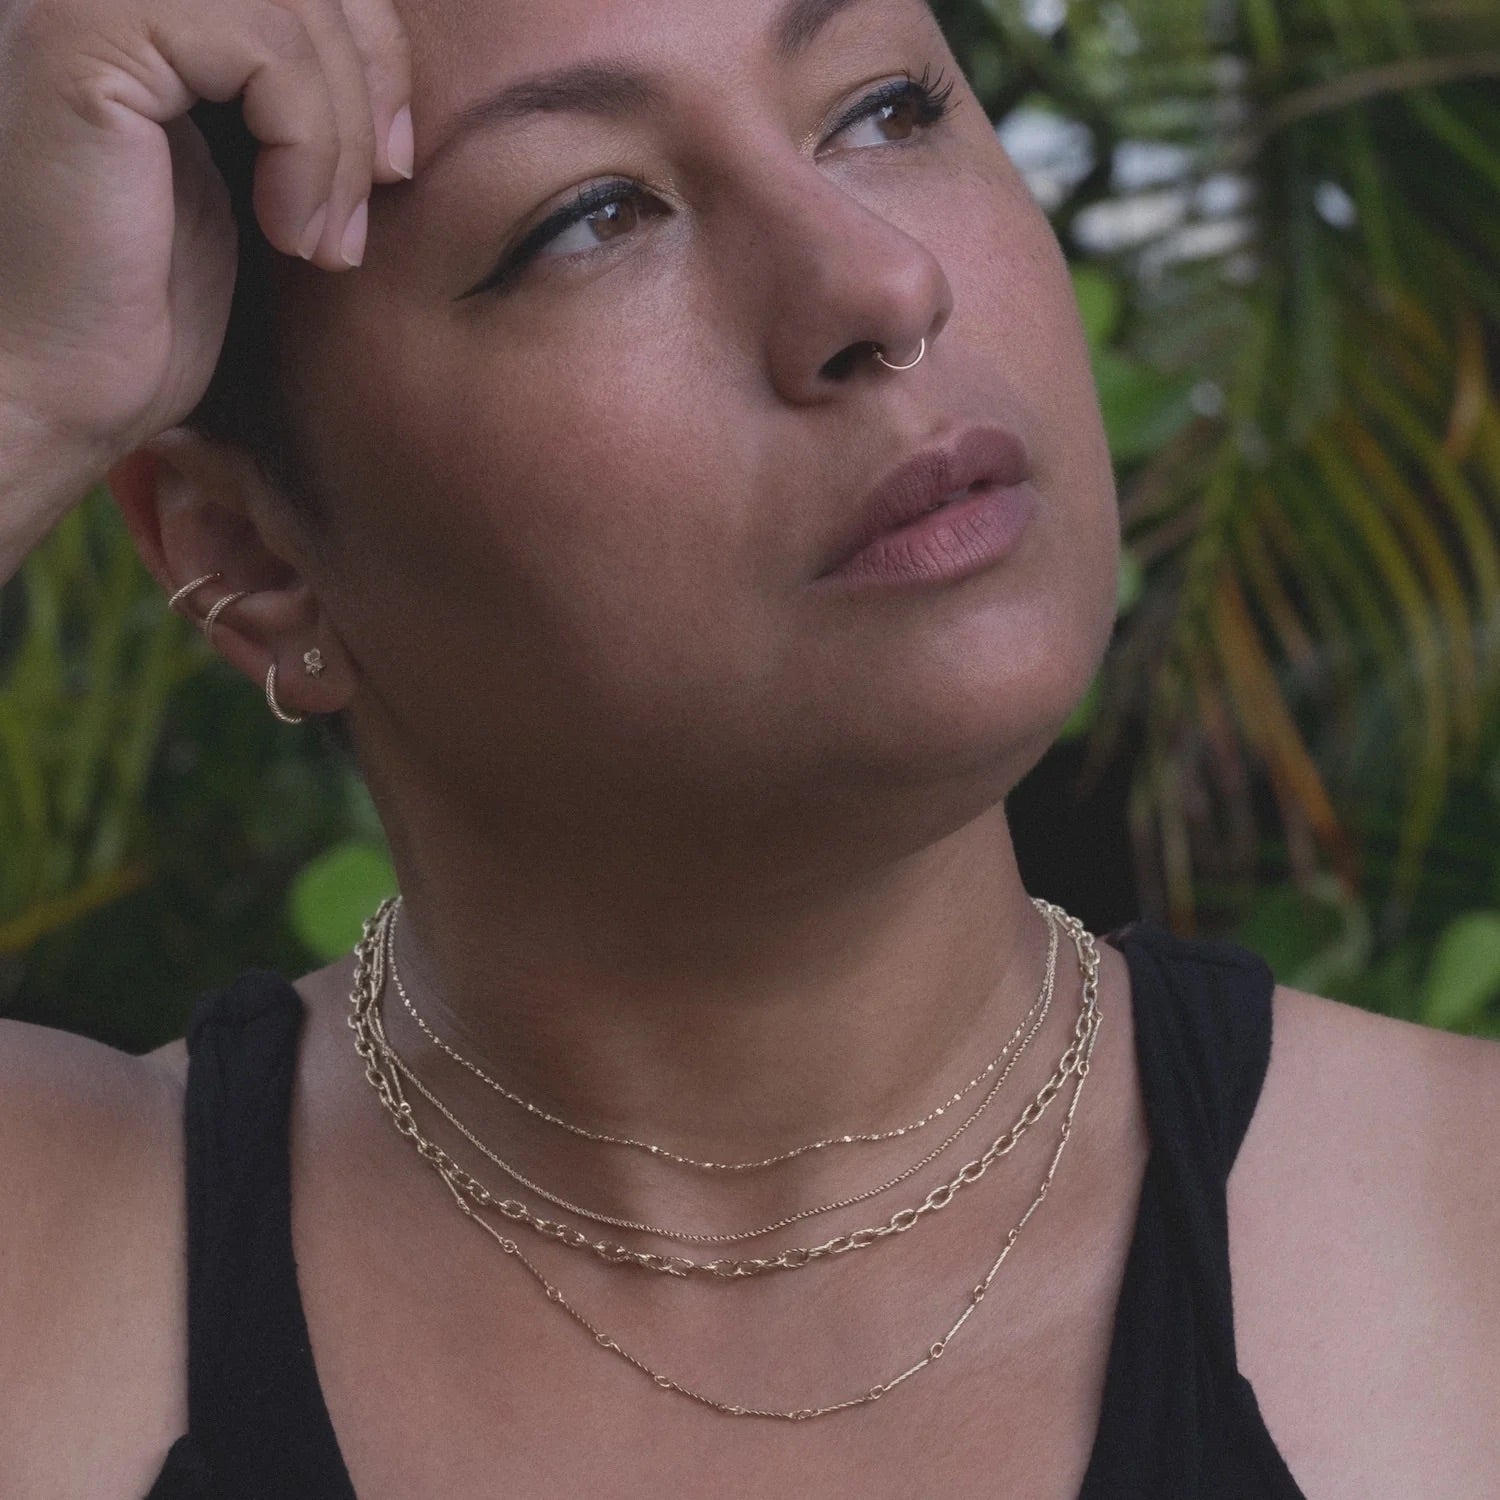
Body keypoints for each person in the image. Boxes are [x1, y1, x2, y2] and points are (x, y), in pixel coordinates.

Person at [1, 0, 1497, 1494]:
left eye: (889, 111)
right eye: (593, 215)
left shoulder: (1464, 1247)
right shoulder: (60, 1274)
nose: (882, 283)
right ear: (251, 553)